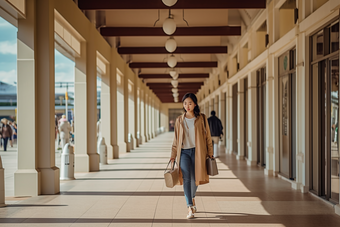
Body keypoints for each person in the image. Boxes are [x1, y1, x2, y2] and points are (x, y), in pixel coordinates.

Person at [170, 93, 213, 219]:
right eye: (185, 103)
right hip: (183, 153)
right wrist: (173, 155)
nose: (187, 106)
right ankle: (189, 207)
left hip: (198, 152)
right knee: (187, 179)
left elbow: (208, 137)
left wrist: (210, 152)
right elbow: (176, 139)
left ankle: (192, 197)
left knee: (196, 178)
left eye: (190, 103)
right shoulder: (179, 120)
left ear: (195, 104)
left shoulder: (202, 118)